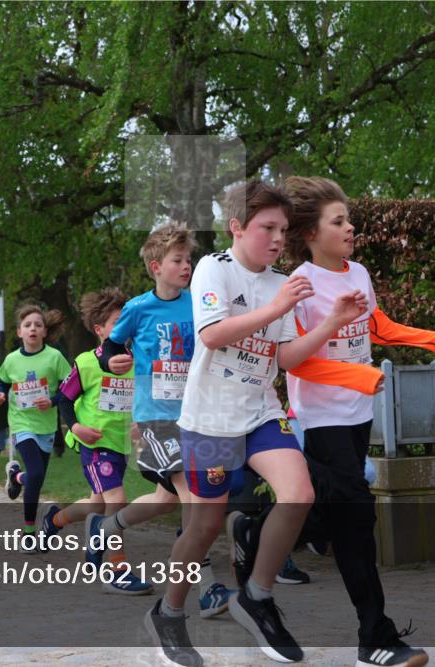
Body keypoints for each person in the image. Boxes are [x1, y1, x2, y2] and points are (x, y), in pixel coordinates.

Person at [144, 181, 368, 666]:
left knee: (299, 493)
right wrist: (277, 306)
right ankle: (169, 611)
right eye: (267, 228)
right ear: (237, 227)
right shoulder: (212, 270)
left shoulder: (278, 283)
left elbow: (285, 357)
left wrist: (330, 322)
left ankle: (258, 596)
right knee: (203, 527)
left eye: (283, 230)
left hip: (261, 411)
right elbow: (212, 334)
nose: (277, 239)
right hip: (210, 420)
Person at [282, 176, 435, 667]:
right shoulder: (297, 286)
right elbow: (296, 361)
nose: (350, 227)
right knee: (357, 519)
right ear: (309, 233)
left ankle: (256, 535)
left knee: (334, 511)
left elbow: (376, 326)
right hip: (318, 419)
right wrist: (356, 376)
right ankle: (375, 635)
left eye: (348, 219)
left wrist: (431, 339)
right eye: (338, 221)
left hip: (359, 414)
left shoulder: (358, 272)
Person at [93, 222, 234, 616]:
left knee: (164, 500)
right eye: (178, 260)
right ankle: (207, 588)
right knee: (194, 494)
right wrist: (113, 360)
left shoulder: (198, 303)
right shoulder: (138, 308)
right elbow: (110, 349)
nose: (186, 266)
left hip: (197, 413)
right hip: (157, 416)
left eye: (188, 259)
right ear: (156, 266)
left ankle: (111, 526)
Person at [40, 288, 150, 593]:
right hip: (94, 444)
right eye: (117, 322)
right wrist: (76, 428)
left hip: (120, 443)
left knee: (96, 503)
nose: (124, 327)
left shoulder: (135, 360)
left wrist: (140, 422)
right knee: (117, 501)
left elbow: (139, 398)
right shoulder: (87, 363)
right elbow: (63, 399)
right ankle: (118, 570)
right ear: (99, 330)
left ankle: (55, 519)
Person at [0, 305, 71, 550]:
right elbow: (1, 382)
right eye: (27, 325)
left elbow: (69, 388)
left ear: (45, 331)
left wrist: (53, 400)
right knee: (35, 473)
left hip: (46, 425)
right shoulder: (11, 360)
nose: (33, 329)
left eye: (38, 325)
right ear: (19, 332)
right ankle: (28, 534)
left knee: (36, 481)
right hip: (21, 422)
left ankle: (16, 477)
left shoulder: (55, 357)